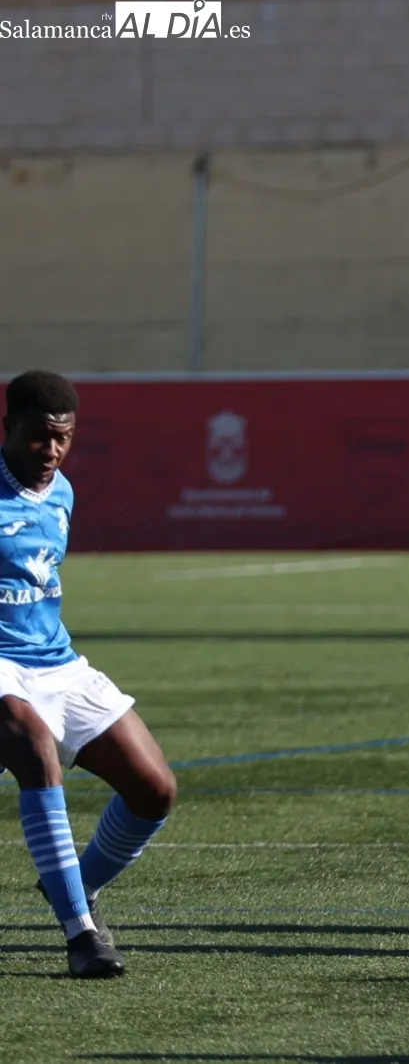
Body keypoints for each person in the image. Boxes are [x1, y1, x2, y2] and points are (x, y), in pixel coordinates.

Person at [0, 370, 178, 978]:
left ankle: (73, 884)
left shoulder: (62, 493)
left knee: (154, 789)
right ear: (8, 427)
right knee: (35, 748)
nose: (52, 450)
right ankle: (82, 934)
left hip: (56, 662)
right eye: (39, 436)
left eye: (64, 438)